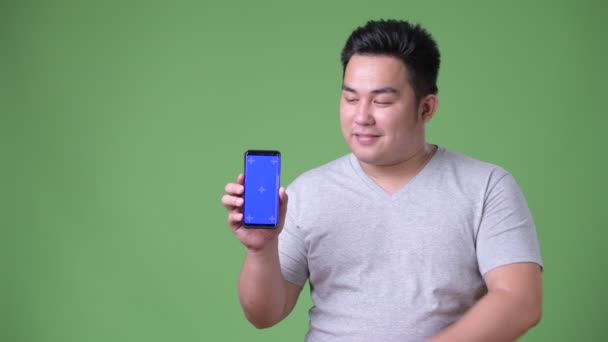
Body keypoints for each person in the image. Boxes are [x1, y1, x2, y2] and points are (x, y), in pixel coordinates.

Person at [221, 19, 543, 342]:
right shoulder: (308, 192)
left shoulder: (486, 186)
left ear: (426, 108)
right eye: (350, 98)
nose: (361, 116)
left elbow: (520, 301)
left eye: (382, 101)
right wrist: (261, 250)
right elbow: (263, 315)